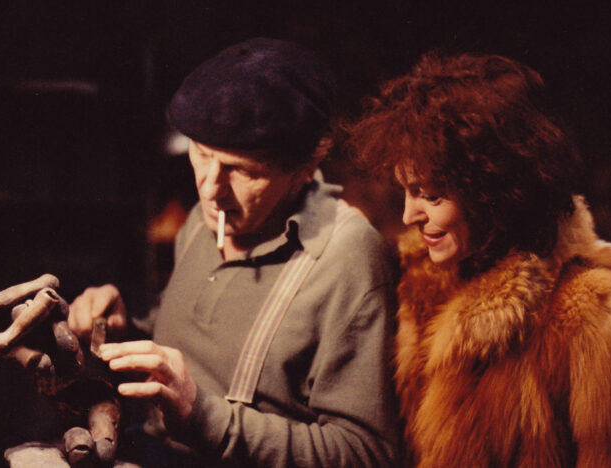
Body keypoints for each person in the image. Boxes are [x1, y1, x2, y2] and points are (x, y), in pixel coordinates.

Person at [345, 52, 611, 467]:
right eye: (406, 191)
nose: (409, 215)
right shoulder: (421, 293)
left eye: (431, 195)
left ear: (490, 191)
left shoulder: (608, 321)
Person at [68, 37, 401, 466]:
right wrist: (122, 328)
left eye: (241, 171)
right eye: (202, 154)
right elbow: (199, 346)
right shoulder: (203, 221)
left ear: (303, 169)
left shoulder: (348, 258)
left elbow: (366, 453)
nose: (210, 188)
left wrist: (203, 415)